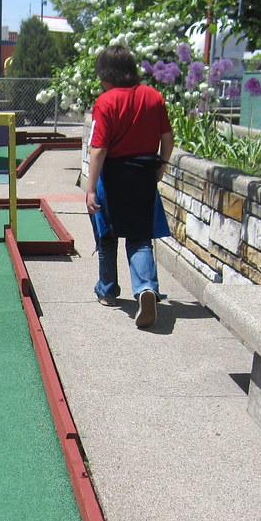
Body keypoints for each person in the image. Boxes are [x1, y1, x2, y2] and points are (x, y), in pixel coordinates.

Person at [85, 45, 174, 329]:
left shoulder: (106, 102)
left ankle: (108, 291)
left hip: (112, 177)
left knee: (107, 236)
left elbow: (98, 148)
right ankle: (146, 288)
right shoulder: (153, 97)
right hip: (144, 175)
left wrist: (90, 188)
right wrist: (161, 165)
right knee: (139, 238)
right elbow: (167, 138)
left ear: (108, 74)